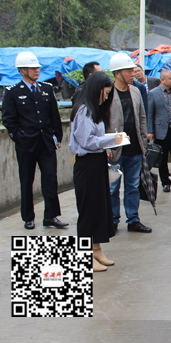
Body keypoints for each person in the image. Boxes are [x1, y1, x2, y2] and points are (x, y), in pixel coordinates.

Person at [2, 52, 68, 230]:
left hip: (46, 142)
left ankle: (51, 216)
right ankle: (28, 217)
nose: (36, 71)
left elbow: (54, 114)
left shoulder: (46, 89)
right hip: (26, 145)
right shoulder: (13, 92)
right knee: (26, 181)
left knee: (50, 179)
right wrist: (19, 138)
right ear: (22, 71)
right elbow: (8, 120)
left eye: (37, 68)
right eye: (32, 68)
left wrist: (58, 136)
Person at [69, 72, 124, 272]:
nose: (106, 97)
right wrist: (112, 140)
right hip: (87, 165)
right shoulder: (84, 111)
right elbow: (87, 141)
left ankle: (96, 249)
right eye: (105, 93)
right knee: (88, 211)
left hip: (97, 162)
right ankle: (85, 255)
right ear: (96, 90)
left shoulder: (94, 111)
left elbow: (96, 139)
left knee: (99, 208)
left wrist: (107, 145)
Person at [107, 53, 151, 233]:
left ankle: (133, 220)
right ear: (117, 73)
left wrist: (143, 142)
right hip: (115, 150)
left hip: (134, 149)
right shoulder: (108, 93)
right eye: (128, 71)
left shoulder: (135, 91)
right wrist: (107, 146)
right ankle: (112, 220)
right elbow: (102, 122)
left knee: (133, 186)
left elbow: (142, 117)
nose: (133, 74)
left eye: (133, 71)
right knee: (112, 187)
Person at [147, 69, 171, 193]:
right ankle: (165, 182)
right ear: (162, 80)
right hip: (161, 130)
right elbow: (150, 113)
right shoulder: (153, 93)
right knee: (162, 158)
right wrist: (150, 131)